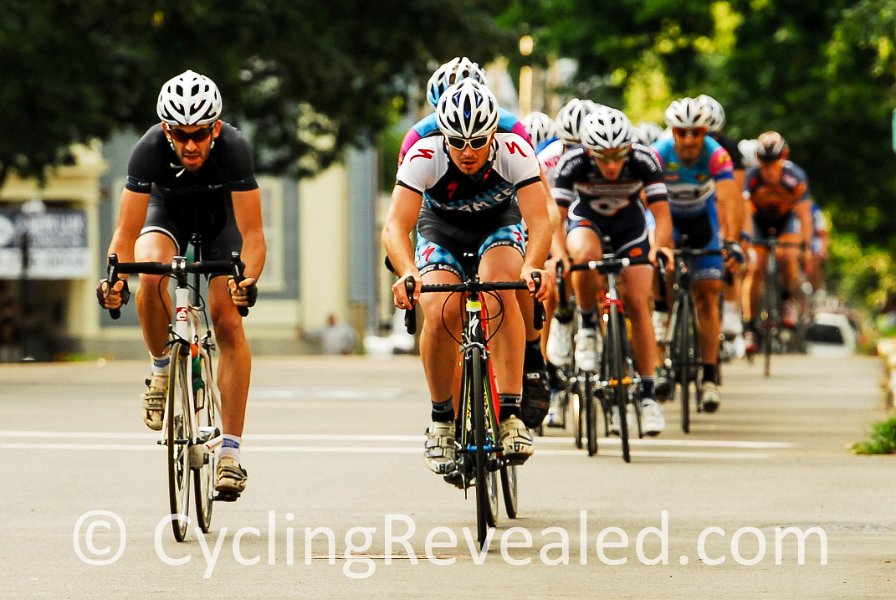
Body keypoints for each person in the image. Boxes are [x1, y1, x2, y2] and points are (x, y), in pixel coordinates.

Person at [97, 69, 265, 500]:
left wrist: (246, 281)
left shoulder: (235, 149)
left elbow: (253, 235)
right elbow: (125, 234)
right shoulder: (148, 149)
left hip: (221, 225)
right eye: (180, 134)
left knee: (227, 319)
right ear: (166, 130)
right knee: (151, 273)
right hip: (166, 215)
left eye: (200, 134)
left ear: (216, 128)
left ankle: (230, 452)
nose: (191, 145)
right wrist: (115, 280)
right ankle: (160, 370)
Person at [382, 79, 554, 481]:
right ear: (443, 135)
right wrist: (407, 271)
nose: (468, 152)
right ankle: (442, 420)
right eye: (457, 142)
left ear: (494, 132)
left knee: (500, 290)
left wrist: (533, 265)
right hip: (441, 228)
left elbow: (540, 218)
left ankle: (510, 414)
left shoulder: (514, 150)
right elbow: (395, 226)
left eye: (478, 142)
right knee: (438, 309)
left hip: (499, 223)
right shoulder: (423, 155)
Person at [552, 105, 673, 435]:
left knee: (637, 302)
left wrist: (659, 247)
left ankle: (647, 395)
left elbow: (662, 215)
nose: (610, 165)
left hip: (629, 228)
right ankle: (588, 326)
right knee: (584, 254)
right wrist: (560, 255)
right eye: (602, 157)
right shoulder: (573, 162)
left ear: (628, 148)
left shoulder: (644, 159)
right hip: (587, 222)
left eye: (618, 156)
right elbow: (555, 219)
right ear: (589, 150)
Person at [652, 97, 742, 412]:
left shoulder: (716, 155)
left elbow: (730, 200)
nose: (689, 140)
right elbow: (644, 202)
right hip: (667, 218)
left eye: (697, 133)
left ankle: (710, 376)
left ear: (706, 132)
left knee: (708, 293)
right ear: (672, 132)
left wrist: (731, 241)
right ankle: (660, 358)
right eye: (682, 132)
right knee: (658, 269)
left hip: (703, 220)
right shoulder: (658, 152)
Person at [743, 131, 814, 348]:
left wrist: (806, 247)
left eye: (773, 163)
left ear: (783, 158)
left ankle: (787, 301)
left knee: (788, 255)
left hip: (785, 221)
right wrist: (745, 241)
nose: (769, 169)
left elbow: (804, 215)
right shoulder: (751, 177)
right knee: (756, 268)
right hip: (758, 222)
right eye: (764, 163)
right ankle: (750, 325)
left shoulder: (795, 177)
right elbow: (744, 212)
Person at [698, 95, 749, 345]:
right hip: (688, 200)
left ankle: (730, 307)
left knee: (728, 249)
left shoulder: (728, 148)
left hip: (717, 199)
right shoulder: (672, 147)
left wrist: (732, 236)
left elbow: (734, 195)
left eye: (713, 135)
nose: (705, 142)